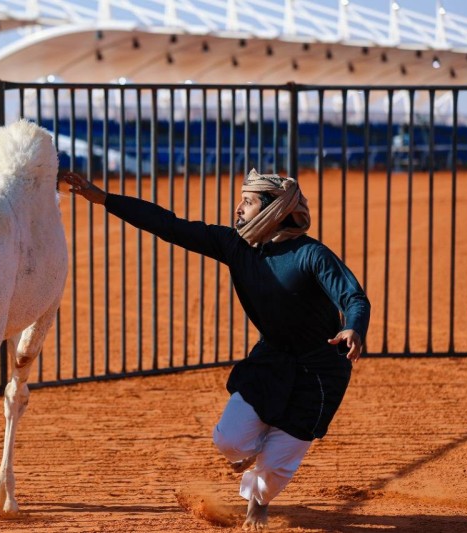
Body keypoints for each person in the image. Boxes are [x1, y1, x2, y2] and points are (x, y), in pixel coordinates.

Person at [61, 168, 370, 531]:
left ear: (273, 210)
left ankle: (257, 502)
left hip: (319, 370)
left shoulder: (311, 254)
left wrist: (353, 325)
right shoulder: (235, 247)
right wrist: (105, 199)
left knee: (273, 467)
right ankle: (255, 459)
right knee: (228, 440)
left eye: (249, 202)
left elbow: (352, 295)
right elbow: (169, 225)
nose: (238, 208)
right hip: (272, 358)